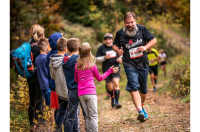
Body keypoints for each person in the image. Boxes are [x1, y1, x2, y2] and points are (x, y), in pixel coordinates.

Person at [112, 12, 157, 122]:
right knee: (133, 86)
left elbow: (153, 40)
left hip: (143, 63)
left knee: (144, 90)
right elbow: (114, 45)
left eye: (132, 22)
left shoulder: (142, 29)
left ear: (135, 21)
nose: (130, 24)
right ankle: (140, 111)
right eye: (127, 23)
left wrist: (145, 47)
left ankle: (142, 106)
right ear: (124, 23)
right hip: (129, 63)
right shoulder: (120, 33)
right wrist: (118, 51)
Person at [75, 42, 119, 131]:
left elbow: (76, 80)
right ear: (90, 52)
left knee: (87, 116)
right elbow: (99, 78)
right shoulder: (92, 66)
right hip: (90, 93)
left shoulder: (77, 66)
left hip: (81, 94)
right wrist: (110, 71)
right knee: (93, 115)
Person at [62, 38, 85, 132]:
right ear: (78, 48)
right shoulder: (78, 59)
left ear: (67, 48)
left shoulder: (64, 60)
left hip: (70, 90)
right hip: (81, 89)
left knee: (71, 114)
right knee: (86, 113)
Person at [96, 33, 122, 109]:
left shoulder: (116, 46)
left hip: (116, 67)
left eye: (109, 39)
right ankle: (112, 98)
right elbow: (96, 58)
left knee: (116, 83)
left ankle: (117, 102)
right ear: (104, 40)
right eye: (106, 39)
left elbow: (122, 54)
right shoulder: (101, 48)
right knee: (110, 87)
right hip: (106, 70)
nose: (108, 41)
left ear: (112, 40)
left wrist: (121, 58)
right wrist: (104, 57)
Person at [27, 24, 45, 131]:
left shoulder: (28, 44)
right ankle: (39, 127)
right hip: (39, 77)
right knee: (39, 102)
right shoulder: (40, 46)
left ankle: (31, 126)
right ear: (41, 34)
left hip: (30, 77)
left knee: (32, 102)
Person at [49, 37, 69, 131]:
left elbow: (52, 76)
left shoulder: (51, 60)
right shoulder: (67, 61)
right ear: (66, 48)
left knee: (61, 111)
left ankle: (57, 129)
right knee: (71, 112)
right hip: (68, 91)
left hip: (59, 91)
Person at [35, 38, 54, 130]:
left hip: (42, 85)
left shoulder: (37, 58)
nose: (48, 48)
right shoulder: (46, 58)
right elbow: (48, 71)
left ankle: (47, 125)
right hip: (48, 85)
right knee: (52, 107)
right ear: (43, 48)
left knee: (47, 105)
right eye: (47, 47)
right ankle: (53, 125)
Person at [46, 32, 63, 125]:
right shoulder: (61, 54)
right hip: (60, 83)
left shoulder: (49, 55)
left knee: (54, 105)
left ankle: (55, 124)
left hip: (51, 83)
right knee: (62, 104)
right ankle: (61, 123)